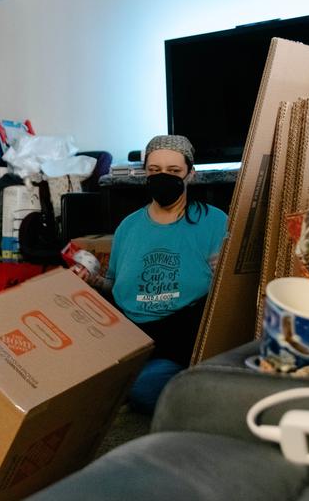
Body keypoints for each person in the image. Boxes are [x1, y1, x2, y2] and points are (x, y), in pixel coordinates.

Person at [75, 135, 227, 414]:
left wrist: (224, 274)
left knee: (143, 387)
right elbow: (115, 285)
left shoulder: (215, 221)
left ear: (190, 174)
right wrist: (93, 280)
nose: (163, 178)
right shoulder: (128, 227)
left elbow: (229, 290)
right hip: (133, 334)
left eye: (174, 171)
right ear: (145, 172)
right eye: (154, 171)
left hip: (183, 336)